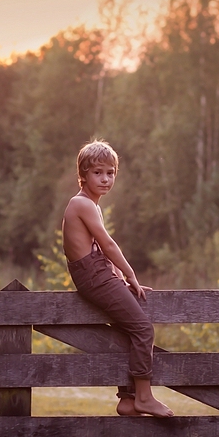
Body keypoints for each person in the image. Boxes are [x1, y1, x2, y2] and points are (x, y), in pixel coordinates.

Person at [62, 140, 174, 418]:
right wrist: (130, 274)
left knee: (130, 330)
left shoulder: (90, 205)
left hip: (97, 274)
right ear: (83, 175)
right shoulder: (81, 204)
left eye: (110, 173)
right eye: (98, 172)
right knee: (143, 330)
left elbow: (96, 252)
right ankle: (145, 397)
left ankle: (127, 399)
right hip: (93, 276)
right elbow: (107, 245)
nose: (105, 179)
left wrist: (117, 280)